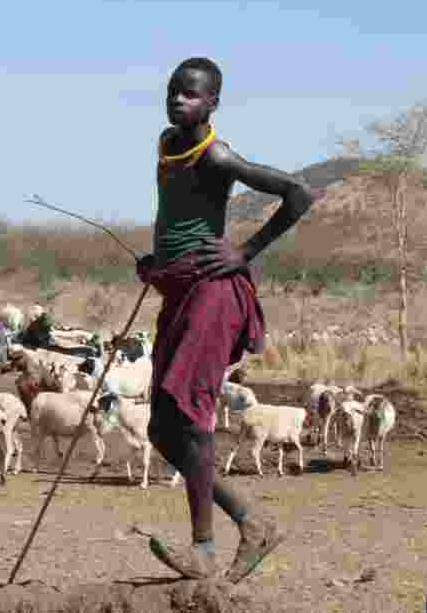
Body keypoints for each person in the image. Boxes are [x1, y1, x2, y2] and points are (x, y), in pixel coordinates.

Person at [137, 57, 319, 583]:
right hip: (179, 292)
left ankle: (203, 549)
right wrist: (157, 264)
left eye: (192, 95)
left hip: (212, 294)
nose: (179, 100)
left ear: (213, 102)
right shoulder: (168, 145)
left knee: (190, 421)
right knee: (161, 431)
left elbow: (297, 193)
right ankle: (252, 521)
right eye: (174, 91)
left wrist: (246, 251)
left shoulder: (215, 154)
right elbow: (176, 222)